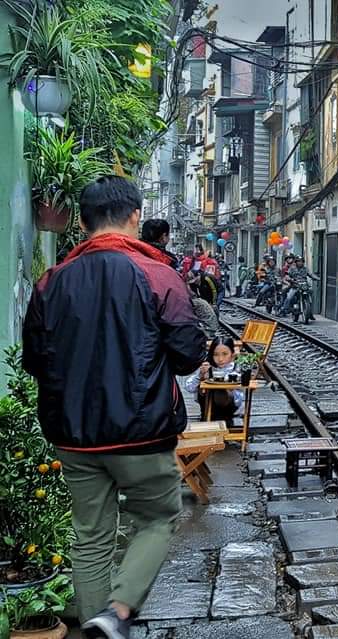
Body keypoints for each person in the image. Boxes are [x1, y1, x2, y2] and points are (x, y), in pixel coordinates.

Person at [22, 175, 206, 638]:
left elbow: (34, 359)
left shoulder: (52, 281)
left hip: (73, 435)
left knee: (90, 537)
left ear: (81, 223)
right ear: (135, 217)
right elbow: (188, 351)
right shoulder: (158, 275)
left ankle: (94, 626)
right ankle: (118, 611)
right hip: (141, 432)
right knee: (158, 517)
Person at [183, 337, 244, 429]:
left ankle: (224, 419)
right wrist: (200, 375)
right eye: (216, 355)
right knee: (202, 385)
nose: (220, 359)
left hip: (229, 406)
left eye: (225, 354)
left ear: (232, 354)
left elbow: (239, 397)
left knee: (222, 390)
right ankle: (208, 416)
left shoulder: (236, 367)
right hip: (207, 405)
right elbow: (189, 387)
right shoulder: (207, 366)